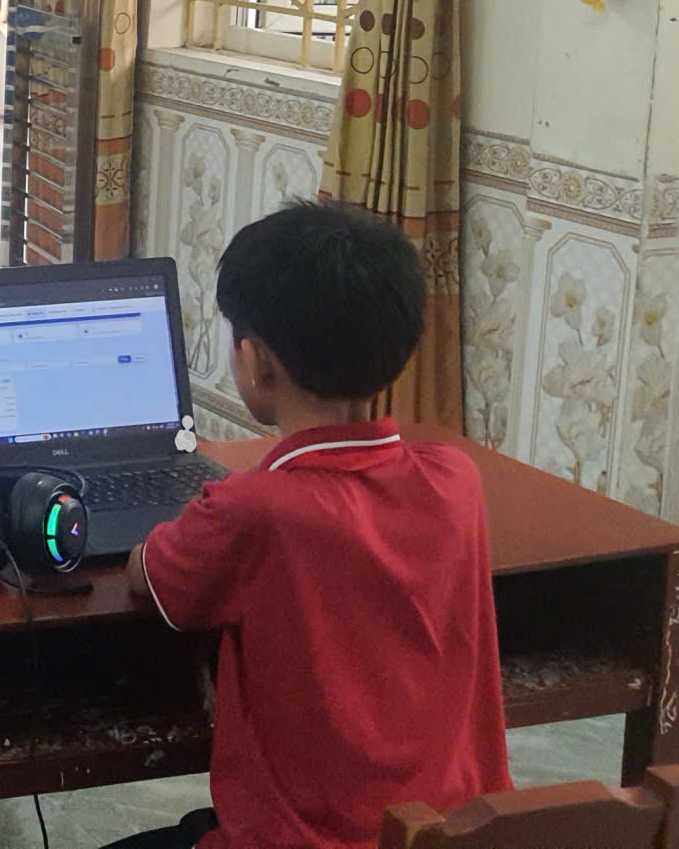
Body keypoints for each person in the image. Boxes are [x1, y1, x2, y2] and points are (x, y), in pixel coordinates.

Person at [108, 201, 508, 849]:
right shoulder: (456, 480)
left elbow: (146, 577)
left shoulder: (253, 508)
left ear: (256, 361)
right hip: (444, 837)